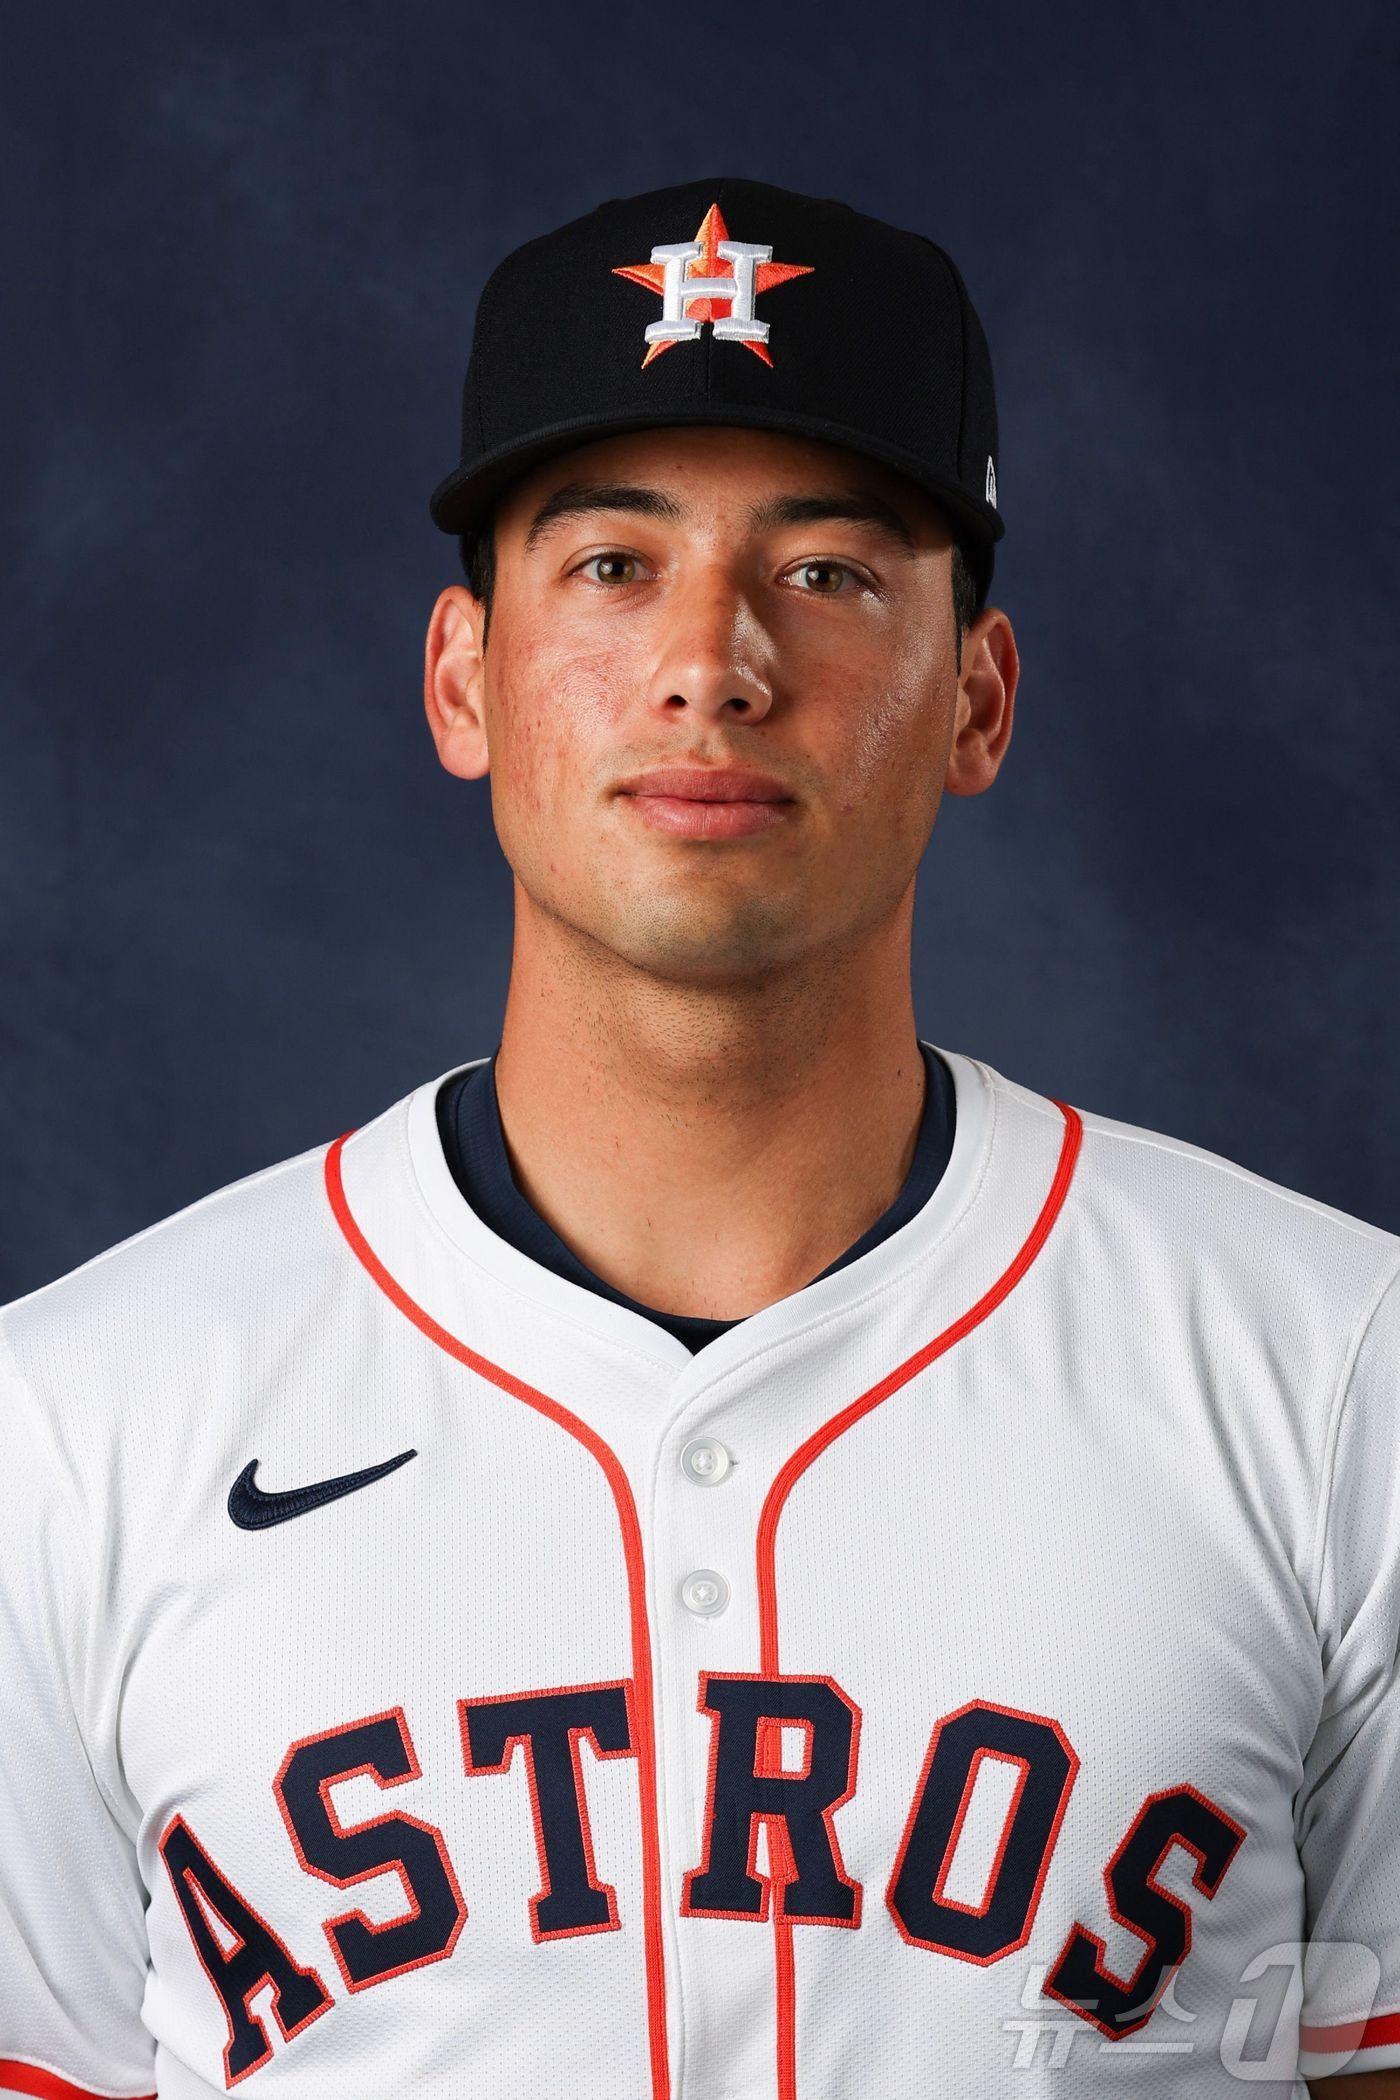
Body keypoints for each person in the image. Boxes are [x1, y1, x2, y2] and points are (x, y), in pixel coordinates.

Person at [1, 175, 1396, 2100]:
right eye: (608, 564)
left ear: (979, 699)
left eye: (828, 574)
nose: (712, 662)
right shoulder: (74, 1426)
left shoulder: (1335, 1373)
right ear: (463, 679)